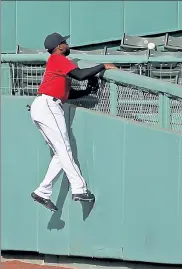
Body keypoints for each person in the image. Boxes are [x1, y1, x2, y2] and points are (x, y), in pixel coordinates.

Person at [30, 32, 117, 212]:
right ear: (60, 46)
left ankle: (42, 191)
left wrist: (87, 90)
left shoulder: (56, 63)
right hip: (48, 106)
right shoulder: (58, 58)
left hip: (45, 105)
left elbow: (68, 94)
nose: (67, 45)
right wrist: (102, 66)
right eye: (65, 42)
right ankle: (79, 189)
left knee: (59, 154)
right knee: (65, 150)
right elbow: (79, 74)